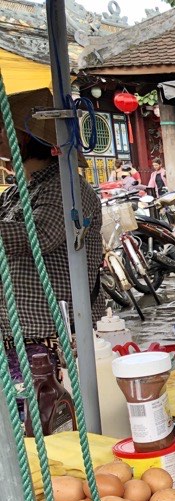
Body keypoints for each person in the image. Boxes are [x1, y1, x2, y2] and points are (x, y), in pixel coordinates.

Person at [0, 89, 104, 357]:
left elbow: (42, 235)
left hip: (50, 336)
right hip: (17, 334)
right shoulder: (16, 192)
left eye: (3, 130)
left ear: (22, 137)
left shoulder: (66, 187)